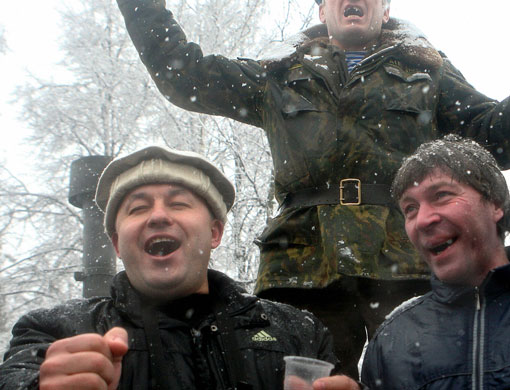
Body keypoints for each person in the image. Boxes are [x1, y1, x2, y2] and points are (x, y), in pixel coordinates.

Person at [110, 0, 510, 377]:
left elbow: (499, 140)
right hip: (300, 267)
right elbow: (185, 73)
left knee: (421, 376)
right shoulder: (279, 77)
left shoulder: (425, 74)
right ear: (322, 8)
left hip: (402, 263)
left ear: (385, 7)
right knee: (303, 382)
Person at [0, 146, 358, 390]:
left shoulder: (299, 332)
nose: (158, 215)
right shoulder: (53, 332)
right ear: (116, 245)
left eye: (179, 203)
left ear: (215, 232)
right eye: (138, 208)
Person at [361, 135, 510, 389]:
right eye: (410, 208)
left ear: (495, 203)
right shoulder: (392, 339)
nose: (422, 220)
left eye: (442, 195)